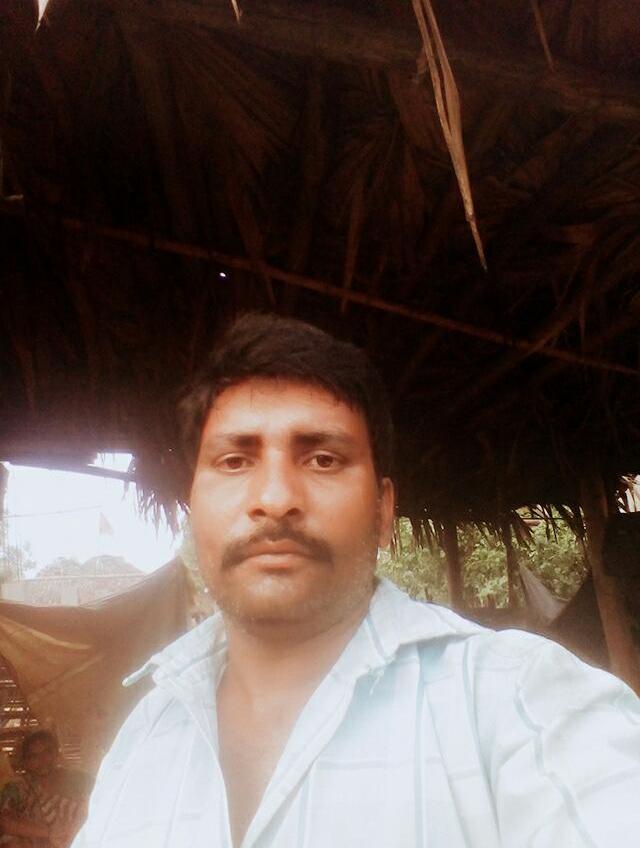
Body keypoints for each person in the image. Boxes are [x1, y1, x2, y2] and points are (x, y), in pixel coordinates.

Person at [73, 313, 640, 847]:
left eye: (322, 459)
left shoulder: (522, 700)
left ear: (383, 511)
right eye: (235, 461)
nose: (275, 498)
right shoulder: (142, 737)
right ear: (193, 505)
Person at [1, 730, 91, 848]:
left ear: (56, 753)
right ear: (25, 762)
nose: (42, 760)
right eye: (34, 756)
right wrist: (49, 833)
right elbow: (4, 821)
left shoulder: (80, 780)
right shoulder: (18, 787)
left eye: (47, 752)